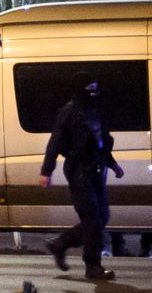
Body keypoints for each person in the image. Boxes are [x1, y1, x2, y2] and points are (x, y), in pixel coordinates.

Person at [42, 72, 125, 281]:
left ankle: (60, 244)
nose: (94, 93)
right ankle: (93, 266)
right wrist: (46, 171)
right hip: (78, 171)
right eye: (90, 89)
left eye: (96, 89)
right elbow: (54, 144)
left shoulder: (94, 111)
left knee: (101, 217)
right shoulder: (68, 112)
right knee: (92, 219)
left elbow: (100, 143)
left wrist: (113, 165)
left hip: (96, 171)